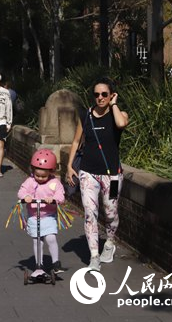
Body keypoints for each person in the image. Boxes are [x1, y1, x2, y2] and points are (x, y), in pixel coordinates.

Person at [66, 77, 129, 272]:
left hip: (113, 175)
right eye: (96, 94)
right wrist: (69, 165)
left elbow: (121, 124)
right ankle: (94, 256)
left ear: (111, 95)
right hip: (88, 173)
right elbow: (76, 141)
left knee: (111, 212)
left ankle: (109, 243)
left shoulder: (118, 114)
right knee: (90, 213)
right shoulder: (86, 115)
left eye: (104, 94)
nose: (100, 98)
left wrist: (115, 105)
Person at [18, 149, 66, 277]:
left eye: (43, 176)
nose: (39, 178)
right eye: (37, 175)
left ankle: (56, 263)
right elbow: (21, 192)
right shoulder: (30, 181)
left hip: (49, 216)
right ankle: (39, 265)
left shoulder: (54, 183)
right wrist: (26, 196)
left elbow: (61, 197)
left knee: (51, 238)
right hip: (34, 216)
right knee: (37, 241)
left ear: (51, 172)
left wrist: (53, 200)